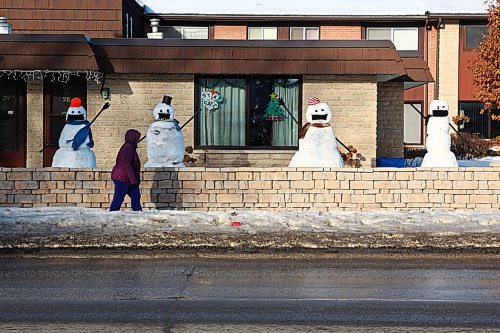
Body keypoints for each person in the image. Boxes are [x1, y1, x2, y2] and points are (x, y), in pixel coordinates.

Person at [110, 129, 142, 211]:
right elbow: (126, 163)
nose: (138, 140)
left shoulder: (130, 147)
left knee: (136, 195)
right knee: (119, 197)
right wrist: (133, 179)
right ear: (132, 138)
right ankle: (112, 213)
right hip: (122, 177)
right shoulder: (128, 148)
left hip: (128, 178)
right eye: (137, 138)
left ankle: (138, 212)